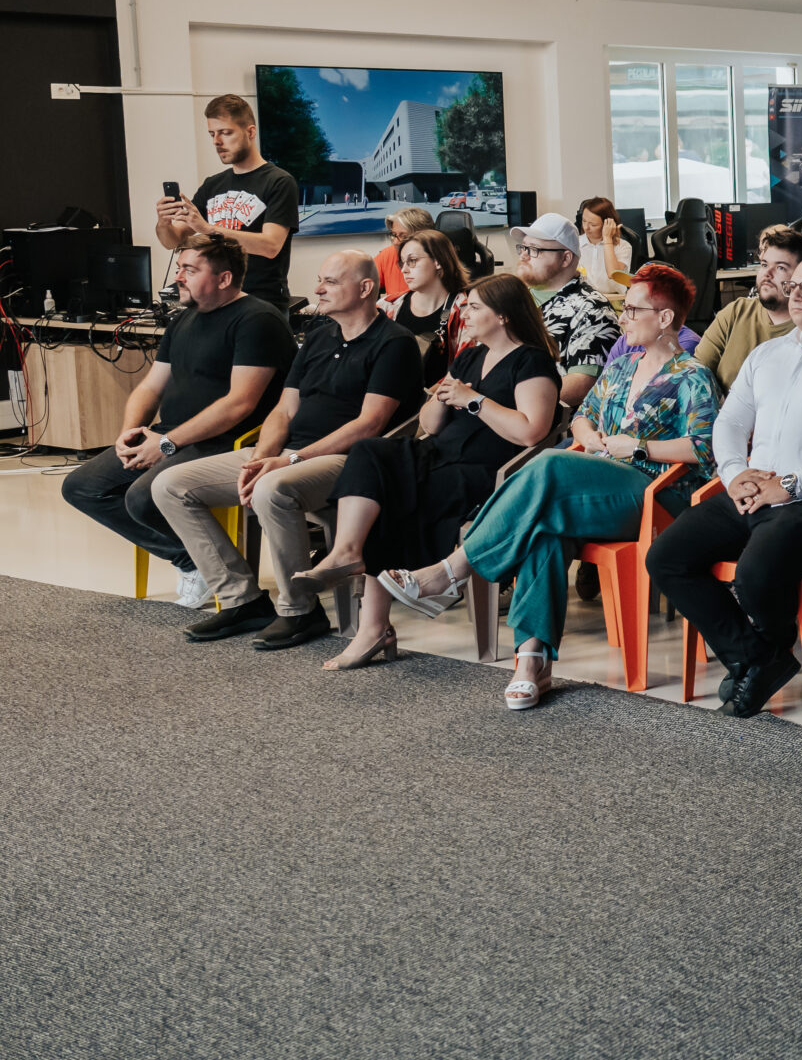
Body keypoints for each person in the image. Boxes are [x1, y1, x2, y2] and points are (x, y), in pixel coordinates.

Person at [366, 265, 718, 708]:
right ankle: (531, 662)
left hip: (656, 495)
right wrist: (590, 436)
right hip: (597, 485)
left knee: (549, 463)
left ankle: (451, 571)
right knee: (544, 530)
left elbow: (705, 447)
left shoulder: (692, 375)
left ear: (665, 318)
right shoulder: (622, 367)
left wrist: (640, 447)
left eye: (632, 310)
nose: (622, 317)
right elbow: (584, 416)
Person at [648, 254, 802, 718]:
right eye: (793, 285)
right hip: (753, 490)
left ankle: (758, 659)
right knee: (666, 557)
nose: (794, 293)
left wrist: (792, 484)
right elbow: (730, 421)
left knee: (755, 574)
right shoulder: (767, 354)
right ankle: (758, 657)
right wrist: (733, 474)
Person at [151, 250, 417, 649]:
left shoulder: (394, 342)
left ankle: (300, 610)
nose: (318, 289)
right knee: (170, 485)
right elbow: (284, 408)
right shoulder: (319, 336)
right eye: (320, 280)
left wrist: (290, 460)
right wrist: (262, 457)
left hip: (350, 461)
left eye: (330, 282)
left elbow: (369, 424)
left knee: (272, 488)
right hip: (287, 454)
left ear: (365, 288)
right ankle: (242, 600)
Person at [292, 275, 561, 639]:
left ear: (502, 315)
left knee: (390, 496)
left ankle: (373, 629)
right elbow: (431, 426)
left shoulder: (531, 361)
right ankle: (346, 552)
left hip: (487, 469)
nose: (465, 314)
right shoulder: (471, 356)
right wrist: (441, 398)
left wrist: (474, 400)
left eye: (474, 307)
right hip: (439, 453)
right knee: (370, 452)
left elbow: (531, 432)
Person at [61, 234, 296, 608]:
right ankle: (193, 560)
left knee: (142, 497)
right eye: (180, 268)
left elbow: (239, 404)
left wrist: (168, 443)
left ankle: (214, 569)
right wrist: (130, 432)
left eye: (190, 269)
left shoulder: (257, 320)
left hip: (226, 440)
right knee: (81, 487)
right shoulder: (184, 319)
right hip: (170, 435)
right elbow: (150, 386)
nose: (179, 277)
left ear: (224, 278)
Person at [156, 93, 299, 313]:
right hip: (214, 301)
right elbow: (172, 240)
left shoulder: (279, 181)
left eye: (225, 132)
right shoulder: (212, 185)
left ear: (250, 132)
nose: (217, 141)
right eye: (212, 134)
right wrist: (164, 222)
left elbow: (271, 246)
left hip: (261, 304)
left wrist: (208, 229)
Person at [513, 211, 619, 409]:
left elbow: (581, 385)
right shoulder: (512, 298)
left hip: (542, 418)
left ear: (565, 258)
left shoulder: (593, 310)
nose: (524, 255)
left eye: (534, 249)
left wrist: (510, 406)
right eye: (523, 247)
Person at [694, 225, 802, 392]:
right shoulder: (736, 312)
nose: (767, 273)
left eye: (780, 267)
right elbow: (697, 374)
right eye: (764, 264)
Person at [380, 224, 468, 386]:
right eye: (402, 263)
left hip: (441, 398)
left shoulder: (465, 310)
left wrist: (428, 398)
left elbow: (465, 370)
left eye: (412, 261)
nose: (404, 270)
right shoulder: (387, 306)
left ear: (438, 261)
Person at [576, 196, 632, 295]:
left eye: (593, 225)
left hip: (613, 298)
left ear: (608, 224)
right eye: (584, 221)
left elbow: (613, 273)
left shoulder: (623, 246)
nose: (586, 227)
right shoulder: (576, 243)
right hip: (583, 298)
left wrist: (607, 239)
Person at [376, 206, 435, 299]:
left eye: (403, 236)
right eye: (394, 235)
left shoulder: (437, 259)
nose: (395, 242)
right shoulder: (388, 254)